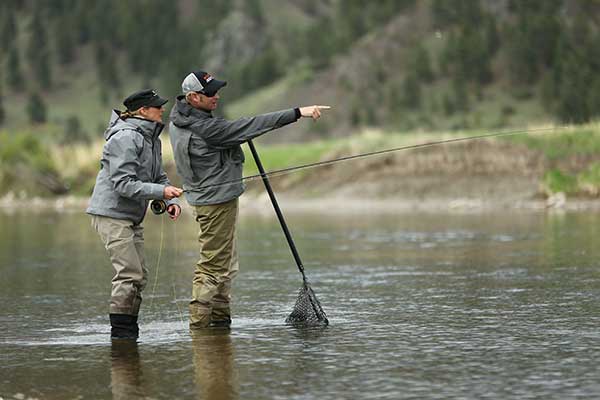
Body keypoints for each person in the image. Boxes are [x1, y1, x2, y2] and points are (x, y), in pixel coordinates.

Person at [169, 70, 330, 329]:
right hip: (215, 201)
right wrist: (297, 112)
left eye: (217, 91)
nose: (216, 96)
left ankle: (220, 326)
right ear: (193, 97)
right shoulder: (206, 127)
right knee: (213, 266)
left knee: (224, 264)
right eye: (210, 93)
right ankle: (199, 328)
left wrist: (236, 134)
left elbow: (232, 131)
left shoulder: (182, 118)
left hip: (210, 198)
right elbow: (244, 127)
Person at [87, 89, 183, 340]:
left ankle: (128, 335)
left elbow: (157, 175)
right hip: (111, 215)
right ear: (143, 111)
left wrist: (166, 197)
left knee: (139, 275)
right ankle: (122, 336)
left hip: (130, 216)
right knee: (130, 274)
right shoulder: (125, 138)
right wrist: (161, 191)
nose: (162, 109)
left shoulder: (152, 138)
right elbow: (123, 184)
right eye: (157, 106)